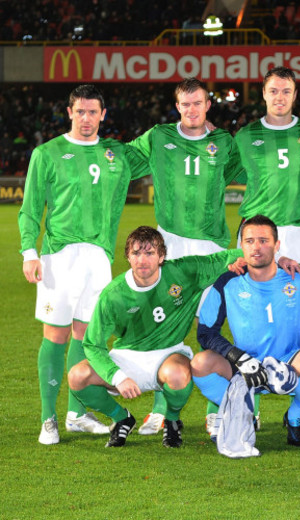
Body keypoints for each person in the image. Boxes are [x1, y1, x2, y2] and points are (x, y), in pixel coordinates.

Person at [18, 84, 148, 445]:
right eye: (80, 112)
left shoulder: (116, 154)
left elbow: (160, 149)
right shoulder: (47, 153)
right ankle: (48, 419)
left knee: (87, 335)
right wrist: (29, 252)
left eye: (93, 112)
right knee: (56, 335)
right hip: (59, 257)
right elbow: (30, 208)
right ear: (69, 112)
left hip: (99, 259)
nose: (87, 118)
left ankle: (77, 414)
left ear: (103, 115)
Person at [127, 77, 242, 435]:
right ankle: (162, 409)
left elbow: (248, 172)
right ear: (177, 106)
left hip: (211, 246)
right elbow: (122, 161)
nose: (192, 110)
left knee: (212, 326)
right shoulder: (159, 137)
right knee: (167, 324)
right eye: (185, 104)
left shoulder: (223, 142)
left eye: (198, 103)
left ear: (208, 105)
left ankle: (216, 406)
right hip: (170, 244)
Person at [67, 226, 243, 448]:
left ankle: (171, 420)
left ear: (161, 256)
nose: (142, 260)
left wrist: (278, 259)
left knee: (179, 374)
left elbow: (231, 255)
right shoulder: (113, 295)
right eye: (136, 253)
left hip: (169, 353)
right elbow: (92, 344)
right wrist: (117, 376)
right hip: (127, 356)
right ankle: (122, 418)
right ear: (128, 257)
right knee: (77, 376)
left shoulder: (182, 272)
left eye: (149, 253)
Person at [192, 215, 300, 447]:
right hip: (243, 365)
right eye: (249, 241)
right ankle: (240, 412)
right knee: (200, 363)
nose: (256, 247)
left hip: (289, 364)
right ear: (241, 246)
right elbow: (205, 332)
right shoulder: (227, 282)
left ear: (277, 245)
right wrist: (238, 356)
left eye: (264, 241)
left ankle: (294, 418)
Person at [234, 67, 300, 263]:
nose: (279, 97)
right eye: (273, 91)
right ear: (264, 93)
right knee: (253, 292)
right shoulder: (246, 136)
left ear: (295, 94)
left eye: (286, 91)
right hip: (257, 229)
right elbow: (235, 172)